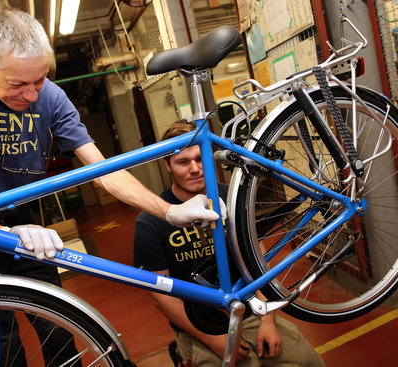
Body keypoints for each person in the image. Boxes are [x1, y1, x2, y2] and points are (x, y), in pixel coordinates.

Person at [0, 8, 221, 366]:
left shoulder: (50, 96)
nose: (32, 96)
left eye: (40, 79)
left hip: (24, 225)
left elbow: (103, 170)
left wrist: (169, 211)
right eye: (17, 84)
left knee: (59, 331)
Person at [134, 121, 326, 367]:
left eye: (200, 158)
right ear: (168, 165)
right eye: (183, 162)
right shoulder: (151, 222)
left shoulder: (232, 198)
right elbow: (161, 295)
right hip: (200, 325)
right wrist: (212, 339)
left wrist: (268, 318)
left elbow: (259, 259)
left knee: (306, 361)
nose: (195, 169)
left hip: (251, 311)